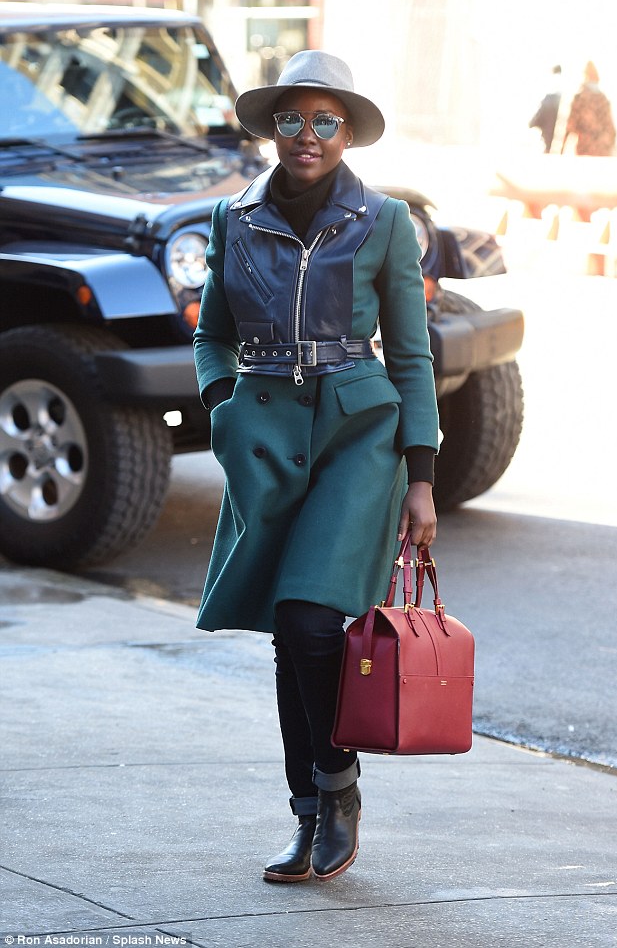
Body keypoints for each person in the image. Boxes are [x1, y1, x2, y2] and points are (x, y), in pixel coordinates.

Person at [193, 50, 439, 883]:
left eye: (324, 120)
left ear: (346, 132)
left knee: (308, 621)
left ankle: (337, 789)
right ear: (272, 127)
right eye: (292, 118)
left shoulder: (387, 221)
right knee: (286, 639)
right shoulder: (234, 216)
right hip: (261, 434)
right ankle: (308, 814)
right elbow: (209, 333)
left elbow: (411, 357)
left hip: (357, 437)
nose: (307, 135)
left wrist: (423, 475)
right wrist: (224, 406)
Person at [563, 61, 616, 156]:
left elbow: (570, 126)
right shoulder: (603, 99)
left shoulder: (580, 98)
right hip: (602, 150)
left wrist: (561, 150)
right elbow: (611, 129)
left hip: (584, 149)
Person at [528, 64, 562, 153]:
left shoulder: (548, 99)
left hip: (550, 148)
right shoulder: (567, 99)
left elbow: (533, 122)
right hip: (564, 150)